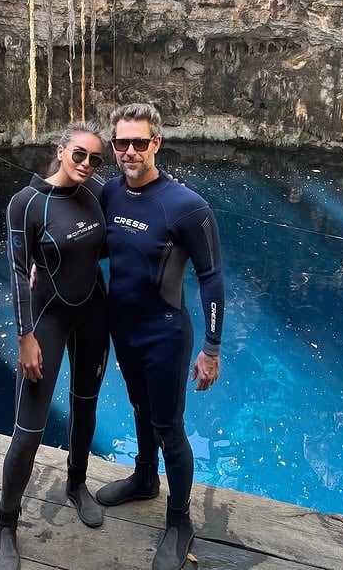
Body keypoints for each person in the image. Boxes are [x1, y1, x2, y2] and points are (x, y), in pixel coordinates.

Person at [96, 103, 225, 570]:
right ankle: (145, 478)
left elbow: (211, 278)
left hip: (165, 333)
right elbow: (85, 237)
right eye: (121, 143)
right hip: (124, 329)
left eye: (139, 142)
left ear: (156, 143)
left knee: (169, 426)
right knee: (139, 408)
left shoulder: (187, 206)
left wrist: (211, 349)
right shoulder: (110, 193)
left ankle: (178, 519)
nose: (129, 151)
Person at [0, 122, 110, 570]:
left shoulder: (97, 193)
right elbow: (17, 271)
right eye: (79, 154)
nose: (86, 164)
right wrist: (25, 337)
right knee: (28, 432)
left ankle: (76, 484)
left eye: (95, 159)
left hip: (94, 312)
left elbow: (107, 243)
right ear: (61, 151)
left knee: (85, 406)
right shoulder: (26, 203)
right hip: (48, 319)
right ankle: (7, 524)